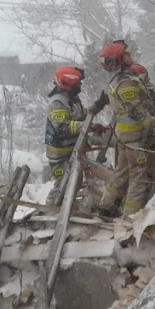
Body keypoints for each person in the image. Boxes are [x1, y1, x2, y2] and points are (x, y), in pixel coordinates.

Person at [91, 40, 155, 217]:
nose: (130, 56)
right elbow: (137, 113)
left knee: (121, 174)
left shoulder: (122, 79)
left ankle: (106, 206)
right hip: (134, 139)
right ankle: (130, 219)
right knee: (139, 178)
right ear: (118, 60)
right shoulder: (125, 83)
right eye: (126, 54)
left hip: (126, 137)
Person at [45, 65, 102, 206]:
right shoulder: (58, 103)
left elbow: (81, 116)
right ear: (68, 84)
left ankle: (64, 208)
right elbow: (61, 127)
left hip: (72, 150)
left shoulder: (72, 99)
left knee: (74, 181)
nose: (81, 86)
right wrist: (88, 126)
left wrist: (97, 107)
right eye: (78, 83)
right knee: (64, 183)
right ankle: (50, 209)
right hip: (60, 155)